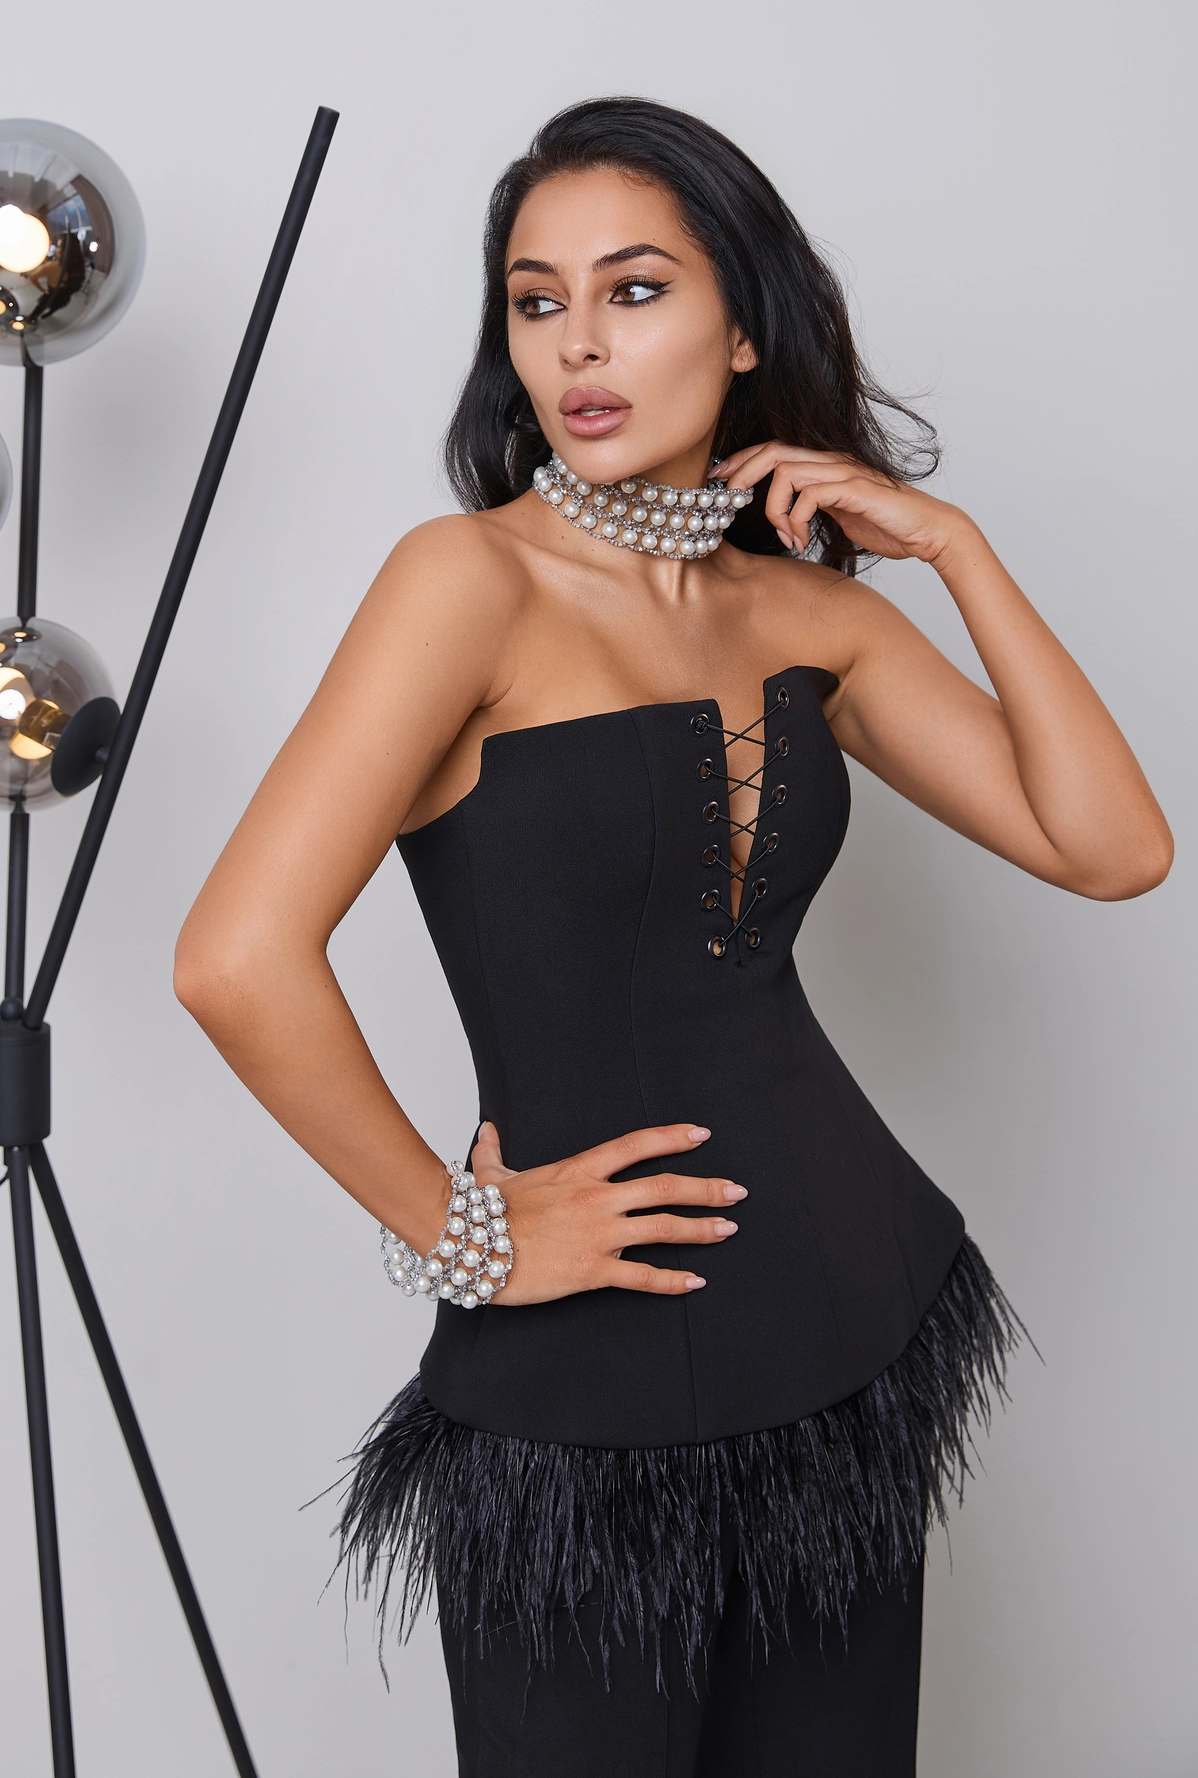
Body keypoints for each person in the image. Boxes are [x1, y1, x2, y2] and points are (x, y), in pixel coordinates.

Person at [174, 97, 1173, 1777]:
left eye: (632, 289)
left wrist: (955, 550)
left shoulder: (809, 615)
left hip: (848, 1331)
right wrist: (465, 1236)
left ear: (743, 324)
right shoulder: (462, 584)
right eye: (535, 299)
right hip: (581, 1386)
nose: (577, 342)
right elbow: (234, 957)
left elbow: (1111, 848)